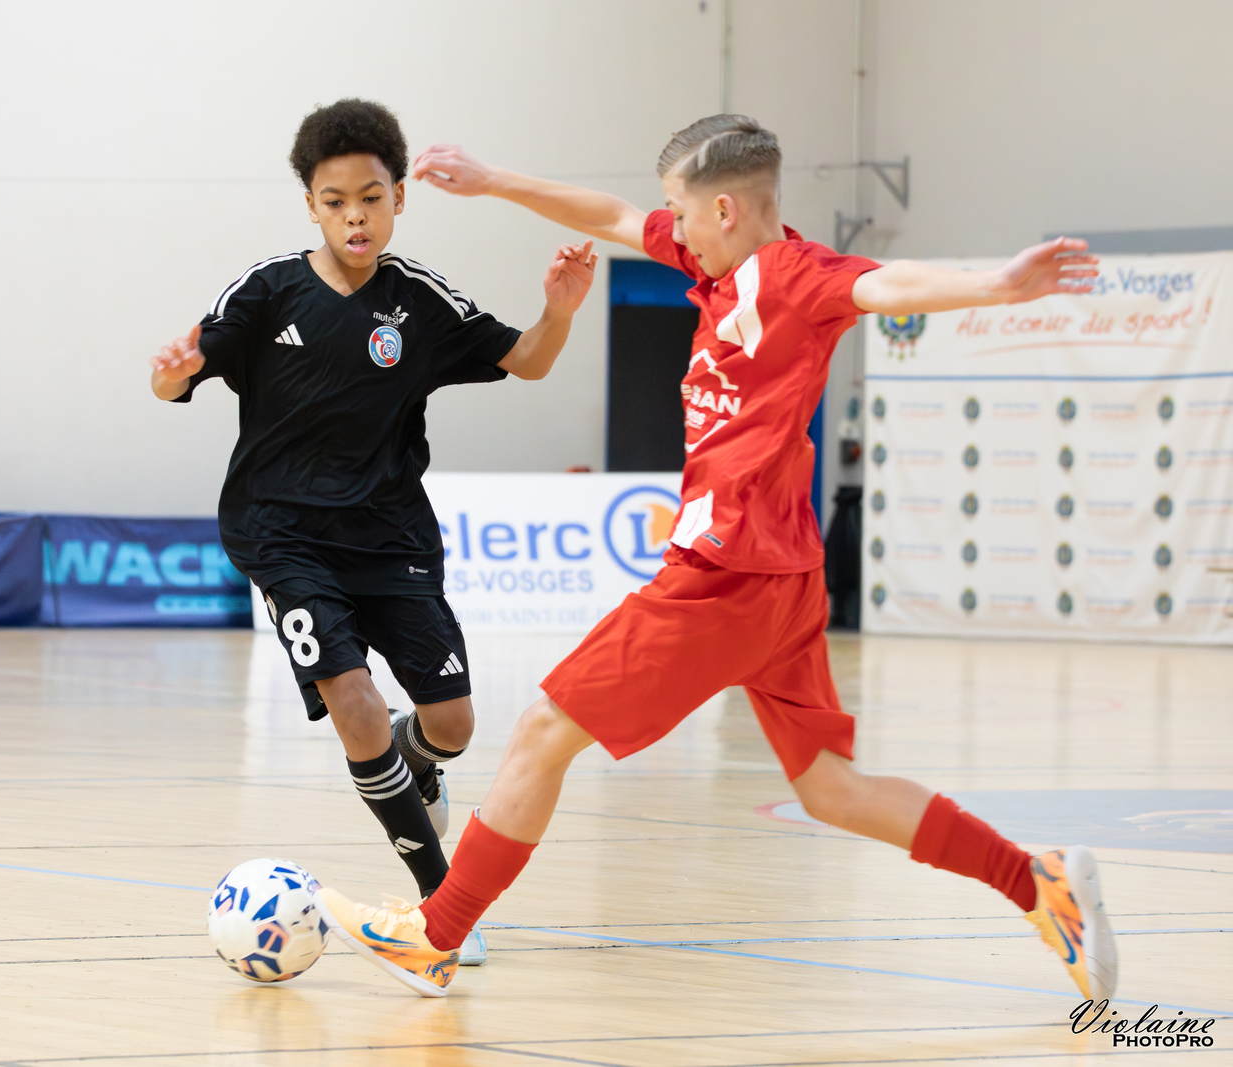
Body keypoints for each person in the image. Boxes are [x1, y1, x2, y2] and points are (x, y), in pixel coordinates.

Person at [316, 115, 1118, 1004]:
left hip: (726, 573)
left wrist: (999, 285)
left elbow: (887, 284)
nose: (671, 227)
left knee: (544, 732)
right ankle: (1035, 883)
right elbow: (612, 216)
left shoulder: (798, 277)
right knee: (832, 789)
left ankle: (436, 934)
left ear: (726, 209)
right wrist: (494, 179)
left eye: (682, 209)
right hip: (785, 579)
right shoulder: (716, 263)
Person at [151, 99, 597, 966]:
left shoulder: (420, 300)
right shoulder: (267, 289)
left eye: (371, 198)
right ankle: (440, 905)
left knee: (454, 723)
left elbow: (529, 360)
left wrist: (560, 311)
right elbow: (176, 381)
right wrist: (172, 374)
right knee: (353, 700)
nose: (354, 216)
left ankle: (412, 757)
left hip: (392, 538)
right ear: (310, 206)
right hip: (281, 534)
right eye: (335, 202)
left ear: (398, 199)